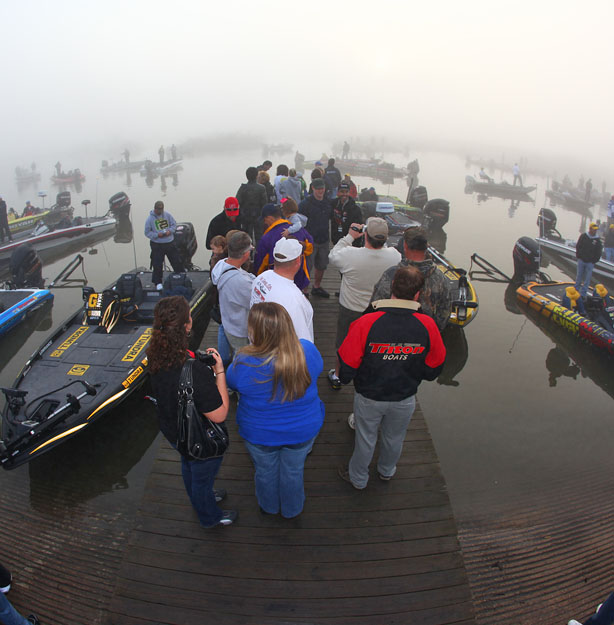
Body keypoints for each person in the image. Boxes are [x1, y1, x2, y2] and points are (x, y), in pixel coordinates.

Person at [336, 265, 446, 489]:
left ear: (392, 287)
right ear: (417, 294)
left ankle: (358, 479)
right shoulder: (428, 325)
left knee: (365, 438)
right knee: (395, 437)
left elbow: (346, 365)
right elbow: (435, 367)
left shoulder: (365, 323)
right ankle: (386, 471)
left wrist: (349, 378)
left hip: (369, 396)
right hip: (404, 397)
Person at [226, 302, 324, 518]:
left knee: (265, 471)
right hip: (302, 431)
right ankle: (292, 509)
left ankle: (269, 507)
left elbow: (231, 383)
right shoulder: (307, 350)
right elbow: (318, 370)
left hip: (259, 434)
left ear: (255, 332)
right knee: (294, 471)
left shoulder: (243, 361)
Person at [147, 296, 236, 527]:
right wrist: (219, 372)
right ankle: (210, 517)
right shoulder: (194, 371)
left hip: (173, 429)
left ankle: (201, 496)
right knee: (202, 476)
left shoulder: (155, 353)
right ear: (187, 325)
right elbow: (219, 414)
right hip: (197, 435)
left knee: (189, 464)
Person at [327, 217, 402, 389]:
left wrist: (350, 236)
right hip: (378, 311)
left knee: (343, 343)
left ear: (365, 234)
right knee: (372, 345)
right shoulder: (395, 256)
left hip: (350, 309)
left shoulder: (350, 254)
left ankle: (338, 376)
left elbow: (333, 255)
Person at [370, 227, 452, 331]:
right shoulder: (441, 279)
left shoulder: (391, 275)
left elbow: (375, 306)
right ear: (426, 246)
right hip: (424, 337)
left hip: (390, 338)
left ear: (405, 246)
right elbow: (445, 313)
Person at [251, 238, 314, 341]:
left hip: (258, 344)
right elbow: (303, 343)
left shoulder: (261, 278)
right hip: (281, 355)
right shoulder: (295, 300)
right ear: (298, 260)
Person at [211, 231, 255, 359]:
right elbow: (255, 303)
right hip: (240, 328)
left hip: (228, 322)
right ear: (246, 254)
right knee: (243, 358)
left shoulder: (221, 265)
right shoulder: (241, 281)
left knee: (237, 354)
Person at [254, 204, 313, 292]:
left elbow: (260, 264)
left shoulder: (267, 237)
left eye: (265, 220)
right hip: (299, 279)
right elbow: (310, 247)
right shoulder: (298, 229)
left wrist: (257, 277)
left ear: (270, 218)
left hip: (278, 283)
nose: (265, 223)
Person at [299, 177, 332, 297]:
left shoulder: (328, 202)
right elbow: (299, 224)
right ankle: (304, 289)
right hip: (309, 241)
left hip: (324, 239)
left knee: (322, 265)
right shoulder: (304, 204)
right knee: (307, 266)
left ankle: (317, 286)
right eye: (318, 189)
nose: (320, 191)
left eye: (322, 188)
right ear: (312, 188)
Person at [144, 200, 184, 289]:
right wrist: (157, 235)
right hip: (157, 244)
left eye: (161, 209)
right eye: (158, 209)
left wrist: (170, 231)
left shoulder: (168, 215)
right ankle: (157, 282)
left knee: (176, 261)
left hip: (169, 243)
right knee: (157, 264)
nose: (160, 211)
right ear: (155, 209)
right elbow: (147, 232)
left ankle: (182, 276)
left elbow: (174, 225)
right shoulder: (149, 219)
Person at [236, 166, 267, 244]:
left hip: (245, 215)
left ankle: (248, 253)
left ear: (247, 176)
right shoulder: (261, 188)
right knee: (259, 236)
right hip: (258, 215)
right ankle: (259, 253)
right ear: (257, 175)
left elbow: (237, 201)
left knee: (246, 237)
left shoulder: (243, 188)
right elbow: (264, 203)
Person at [575, 222, 603, 298]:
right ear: (590, 229)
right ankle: (576, 290)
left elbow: (599, 252)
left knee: (587, 279)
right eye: (594, 230)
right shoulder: (583, 236)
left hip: (590, 263)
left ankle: (583, 294)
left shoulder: (597, 241)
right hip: (581, 260)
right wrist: (578, 255)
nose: (595, 231)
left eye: (596, 230)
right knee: (579, 276)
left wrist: (594, 261)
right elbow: (578, 246)